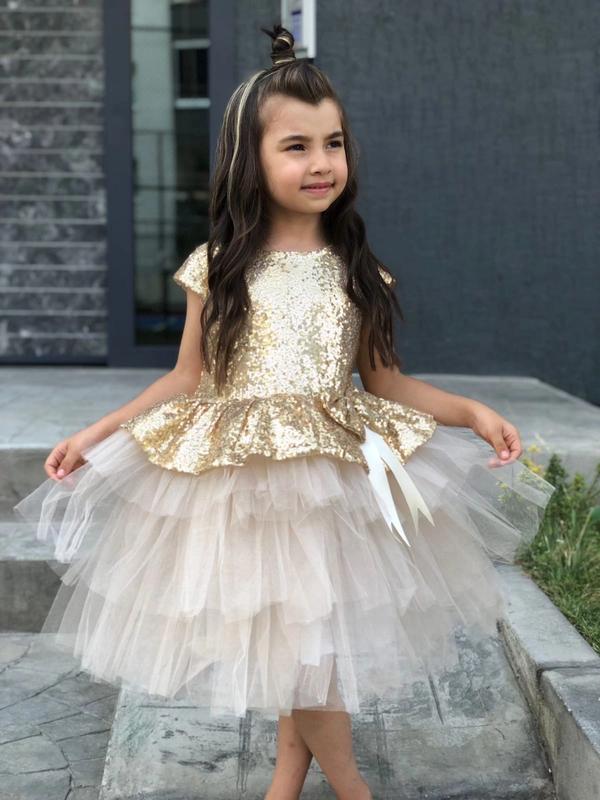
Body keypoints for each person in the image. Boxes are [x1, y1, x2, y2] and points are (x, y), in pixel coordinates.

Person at [13, 23, 556, 800]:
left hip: (334, 480)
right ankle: (352, 789)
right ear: (251, 159)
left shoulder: (357, 270)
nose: (321, 162)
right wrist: (96, 433)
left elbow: (387, 383)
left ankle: (284, 784)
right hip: (249, 484)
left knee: (307, 646)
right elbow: (185, 379)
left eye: (333, 143)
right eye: (296, 146)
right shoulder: (219, 268)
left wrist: (469, 411)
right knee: (297, 646)